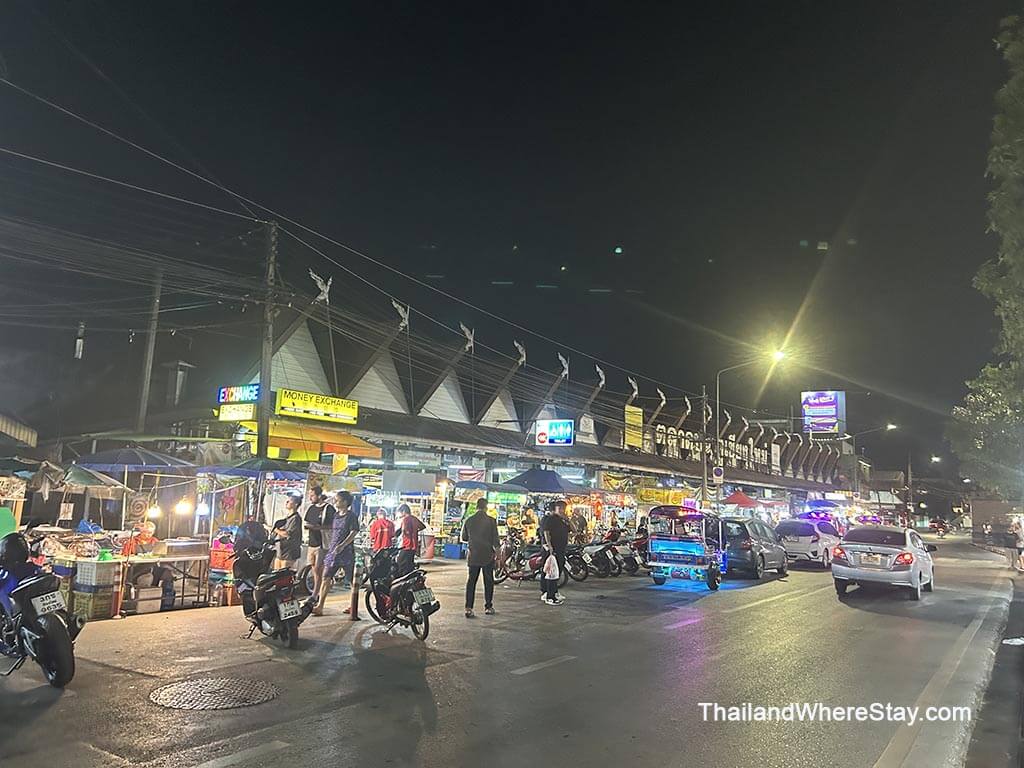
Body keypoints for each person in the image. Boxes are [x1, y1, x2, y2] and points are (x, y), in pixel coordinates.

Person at [314, 490, 359, 616]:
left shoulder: (351, 516)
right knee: (325, 577)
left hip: (346, 553)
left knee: (351, 580)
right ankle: (320, 606)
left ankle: (353, 606)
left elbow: (354, 532)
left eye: (337, 499)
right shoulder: (336, 515)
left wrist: (343, 545)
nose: (335, 501)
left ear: (345, 502)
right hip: (332, 551)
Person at [461, 498, 499, 618]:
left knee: (471, 581)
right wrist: (498, 557)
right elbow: (496, 541)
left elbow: (464, 537)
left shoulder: (469, 520)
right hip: (487, 555)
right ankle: (488, 607)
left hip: (473, 555)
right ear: (486, 507)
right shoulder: (491, 521)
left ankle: (468, 608)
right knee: (488, 581)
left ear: (477, 507)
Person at [303, 485, 336, 606]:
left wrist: (318, 527)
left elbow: (333, 526)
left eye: (312, 495)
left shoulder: (329, 508)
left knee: (319, 568)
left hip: (322, 543)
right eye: (310, 495)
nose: (310, 498)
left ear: (319, 496)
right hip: (312, 542)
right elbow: (307, 522)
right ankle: (316, 592)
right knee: (314, 568)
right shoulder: (311, 508)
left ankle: (316, 594)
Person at [538, 501, 570, 605]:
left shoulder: (562, 520)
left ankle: (553, 592)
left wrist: (567, 519)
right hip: (552, 550)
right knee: (550, 572)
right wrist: (549, 545)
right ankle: (548, 595)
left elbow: (573, 530)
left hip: (561, 549)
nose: (562, 510)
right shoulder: (549, 519)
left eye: (563, 508)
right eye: (559, 508)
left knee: (556, 571)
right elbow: (546, 532)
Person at [271, 492, 303, 569]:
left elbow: (288, 534)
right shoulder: (287, 517)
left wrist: (276, 530)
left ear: (295, 504)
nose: (287, 502)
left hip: (289, 553)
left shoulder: (295, 519)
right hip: (280, 551)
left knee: (284, 575)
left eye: (289, 501)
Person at [396, 503, 426, 576]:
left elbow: (404, 530)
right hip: (414, 546)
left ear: (403, 511)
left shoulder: (405, 519)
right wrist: (415, 531)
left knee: (400, 562)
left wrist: (404, 533)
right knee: (409, 564)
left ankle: (402, 579)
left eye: (400, 512)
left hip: (406, 545)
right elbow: (423, 526)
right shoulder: (414, 518)